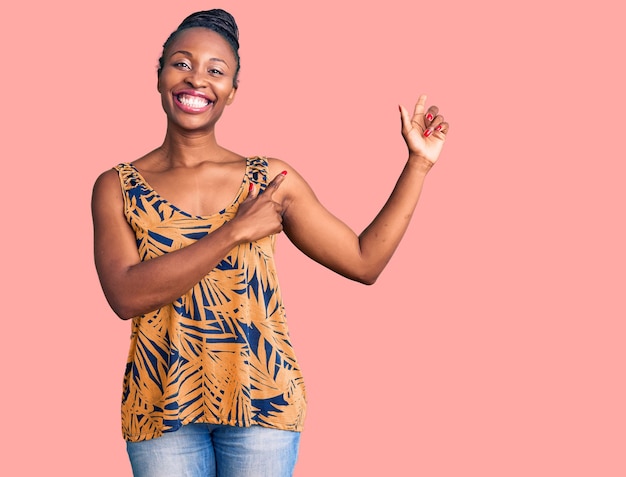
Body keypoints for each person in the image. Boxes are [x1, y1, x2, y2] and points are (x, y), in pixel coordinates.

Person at [91, 8, 449, 477]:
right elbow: (125, 294)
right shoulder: (117, 185)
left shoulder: (270, 180)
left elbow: (365, 262)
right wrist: (235, 231)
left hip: (263, 405)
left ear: (233, 92)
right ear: (159, 76)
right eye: (182, 63)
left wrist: (418, 165)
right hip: (161, 410)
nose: (197, 79)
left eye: (216, 71)